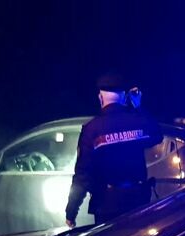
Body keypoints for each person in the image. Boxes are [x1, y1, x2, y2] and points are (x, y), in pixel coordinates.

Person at [65, 74, 162, 227]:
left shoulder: (92, 129)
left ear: (100, 97)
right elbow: (157, 135)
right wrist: (139, 107)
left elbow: (83, 175)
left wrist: (71, 212)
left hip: (106, 205)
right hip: (138, 202)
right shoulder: (137, 122)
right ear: (124, 97)